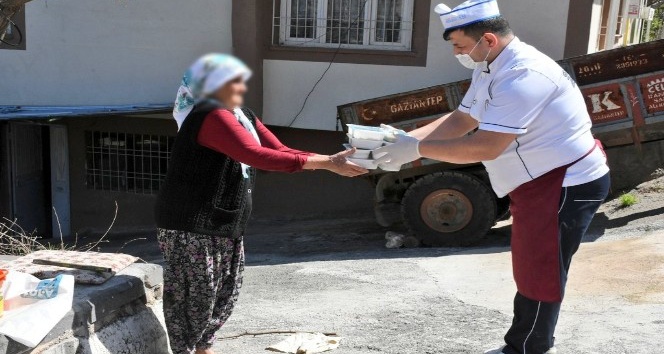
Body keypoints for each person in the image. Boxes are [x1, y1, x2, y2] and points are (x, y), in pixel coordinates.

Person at [373, 1, 610, 353]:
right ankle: (526, 344)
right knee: (533, 265)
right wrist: (408, 140)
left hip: (563, 182)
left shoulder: (524, 75)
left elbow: (486, 146)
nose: (457, 53)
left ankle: (528, 348)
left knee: (541, 270)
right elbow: (463, 118)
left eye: (460, 46)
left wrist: (418, 151)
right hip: (541, 180)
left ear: (488, 39)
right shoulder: (489, 66)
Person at [154, 54, 367, 354]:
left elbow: (278, 150)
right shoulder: (209, 116)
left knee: (222, 295)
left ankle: (203, 350)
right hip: (191, 225)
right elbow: (254, 155)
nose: (240, 88)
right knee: (195, 301)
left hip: (223, 223)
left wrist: (330, 160)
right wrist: (326, 163)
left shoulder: (243, 116)